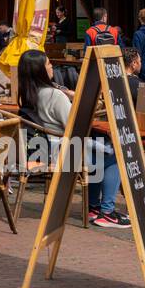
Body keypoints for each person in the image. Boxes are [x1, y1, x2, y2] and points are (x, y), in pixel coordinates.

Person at [16, 49, 129, 229]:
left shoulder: (28, 93)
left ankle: (93, 207)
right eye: (48, 64)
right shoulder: (54, 95)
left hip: (45, 150)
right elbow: (76, 126)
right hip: (64, 154)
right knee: (113, 155)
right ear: (40, 70)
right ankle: (107, 212)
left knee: (100, 151)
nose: (52, 66)